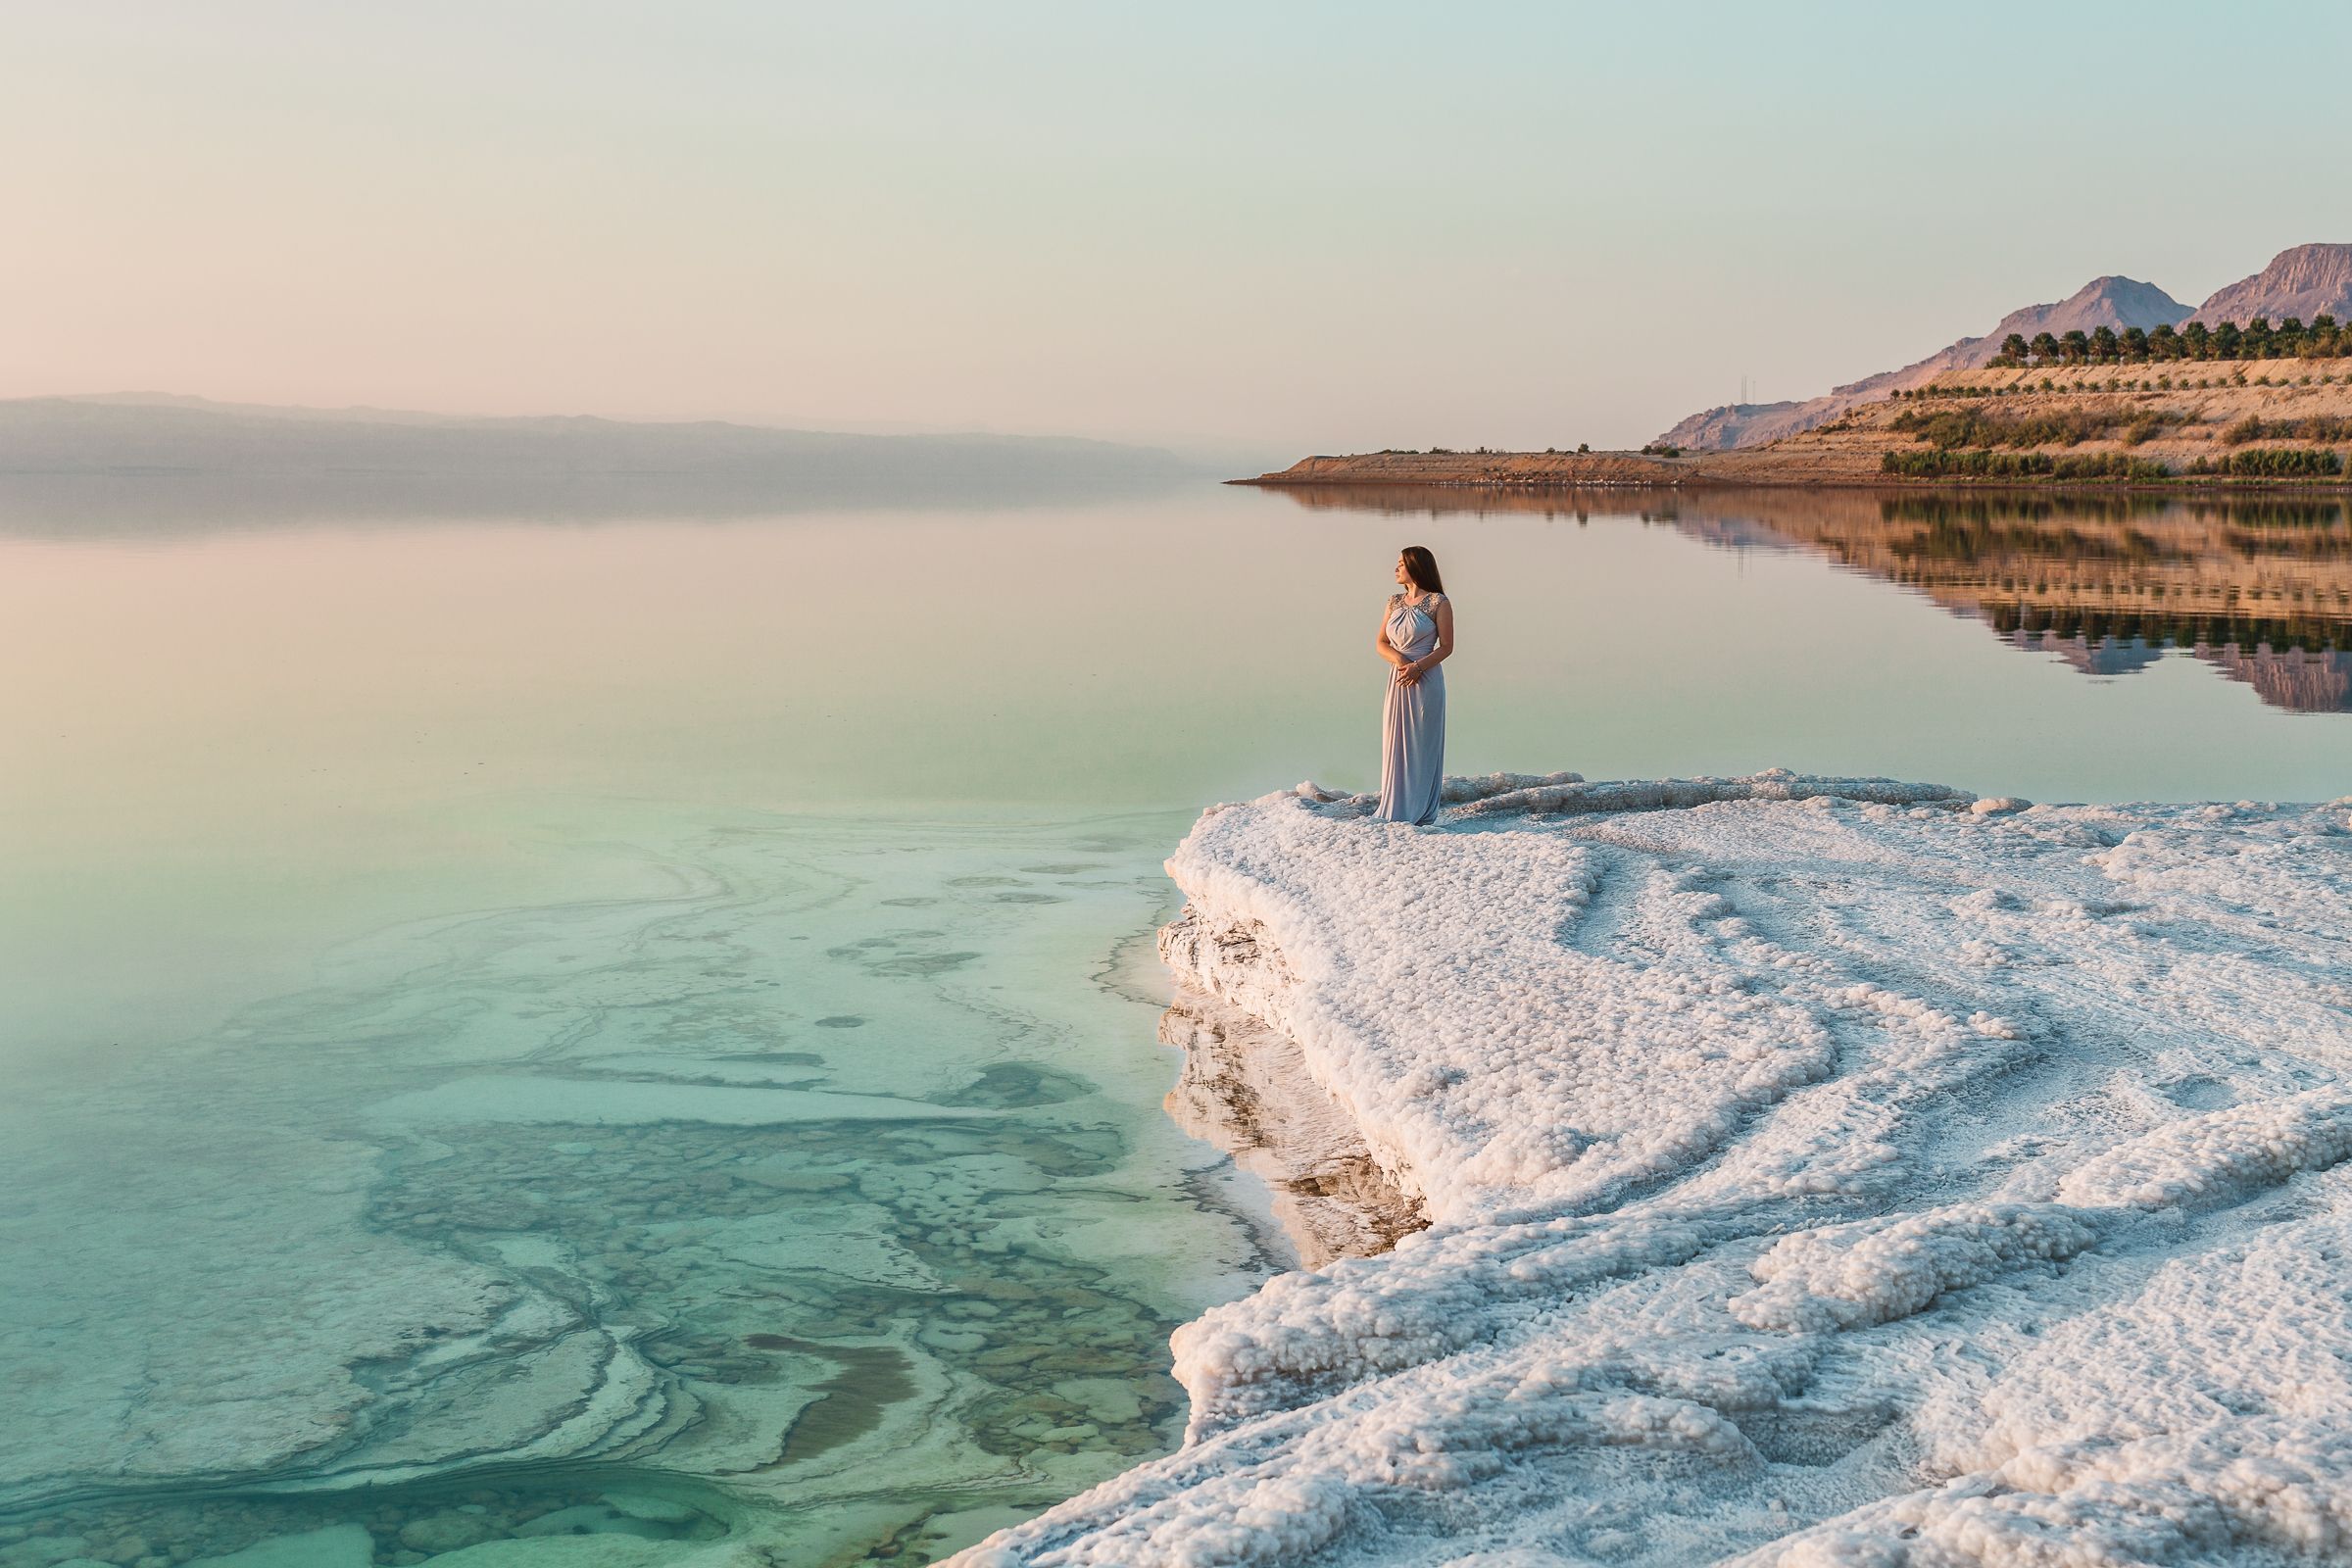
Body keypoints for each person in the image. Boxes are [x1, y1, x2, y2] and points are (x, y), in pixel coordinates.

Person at [1374, 545, 1452, 824]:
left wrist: (1418, 666)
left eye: (1400, 563)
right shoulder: (1393, 601)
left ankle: (1420, 811)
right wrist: (1400, 661)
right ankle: (1395, 806)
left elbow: (1447, 647)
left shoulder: (1438, 602)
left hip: (1426, 678)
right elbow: (1380, 643)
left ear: (1416, 567)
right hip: (1399, 678)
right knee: (1394, 741)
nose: (1395, 568)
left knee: (1422, 743)